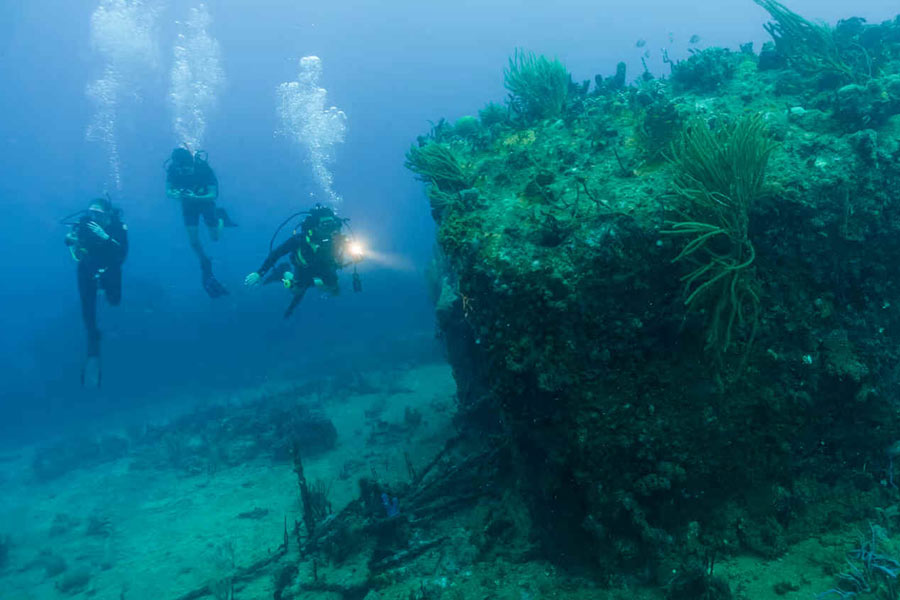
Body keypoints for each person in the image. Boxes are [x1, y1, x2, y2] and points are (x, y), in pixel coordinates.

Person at [244, 204, 363, 318]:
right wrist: (260, 272)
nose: (329, 230)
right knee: (296, 290)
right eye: (325, 225)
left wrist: (356, 255)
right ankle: (284, 270)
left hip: (326, 267)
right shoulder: (300, 239)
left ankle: (314, 284)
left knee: (334, 290)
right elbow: (277, 253)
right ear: (315, 226)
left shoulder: (338, 238)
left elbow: (352, 249)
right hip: (304, 268)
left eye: (331, 225)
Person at [64, 197, 128, 387]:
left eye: (98, 214)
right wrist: (70, 240)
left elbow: (122, 253)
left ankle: (103, 287)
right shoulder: (84, 224)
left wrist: (105, 236)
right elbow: (71, 243)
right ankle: (93, 345)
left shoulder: (117, 226)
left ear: (107, 214)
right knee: (87, 310)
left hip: (110, 267)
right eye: (91, 212)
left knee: (114, 300)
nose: (93, 217)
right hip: (87, 269)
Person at [165, 147, 235, 298]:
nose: (184, 171)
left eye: (187, 168)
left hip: (205, 202)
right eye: (181, 169)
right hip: (188, 205)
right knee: (193, 241)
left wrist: (196, 197)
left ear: (192, 163)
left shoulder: (203, 169)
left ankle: (221, 217)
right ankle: (204, 260)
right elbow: (168, 191)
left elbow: (213, 194)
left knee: (215, 238)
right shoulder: (173, 170)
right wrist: (175, 194)